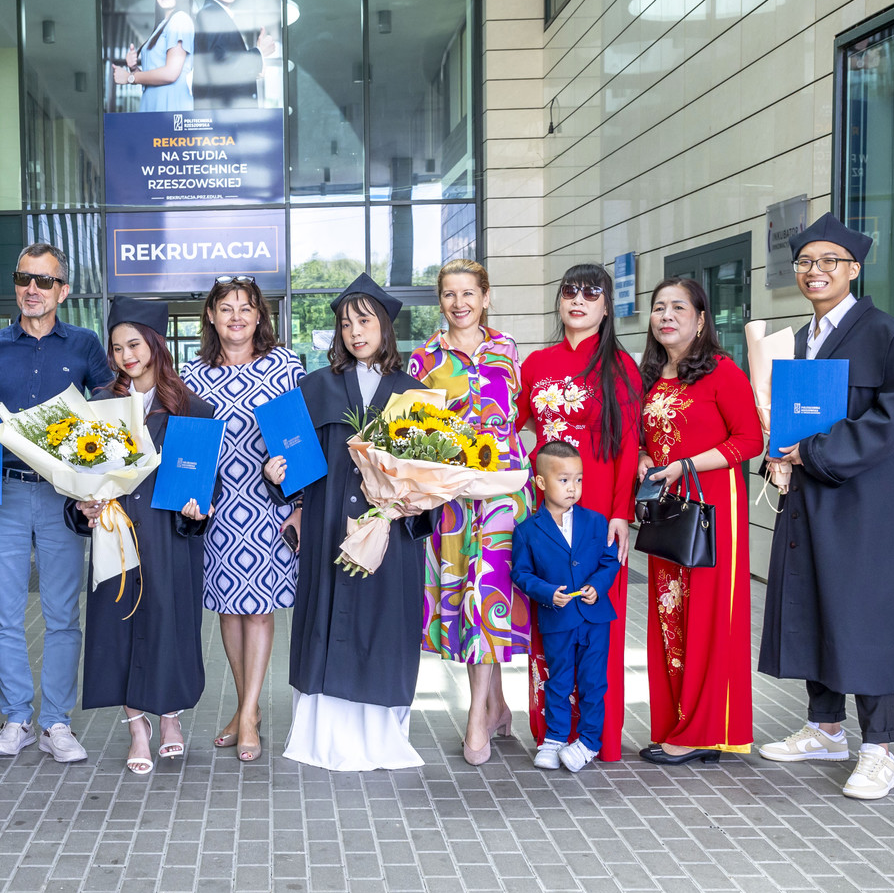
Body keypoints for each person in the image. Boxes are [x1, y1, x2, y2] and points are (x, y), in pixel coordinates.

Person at [757, 213, 894, 800]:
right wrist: (778, 452)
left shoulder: (886, 336)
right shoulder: (795, 342)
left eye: (829, 261)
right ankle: (825, 729)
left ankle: (879, 748)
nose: (815, 271)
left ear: (854, 269)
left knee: (865, 617)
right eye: (806, 262)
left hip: (863, 506)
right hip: (807, 499)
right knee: (813, 605)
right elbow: (784, 416)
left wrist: (812, 450)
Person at [266, 274, 437, 772]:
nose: (355, 332)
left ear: (384, 325)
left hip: (390, 533)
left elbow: (429, 477)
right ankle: (321, 736)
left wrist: (407, 507)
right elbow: (297, 468)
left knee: (384, 624)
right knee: (327, 619)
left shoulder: (415, 395)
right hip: (328, 526)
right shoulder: (315, 387)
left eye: (364, 321)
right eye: (345, 324)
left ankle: (381, 739)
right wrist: (278, 477)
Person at [0, 243, 116, 763]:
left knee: (62, 615)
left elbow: (110, 409)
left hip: (63, 497)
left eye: (44, 281)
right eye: (23, 278)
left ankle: (56, 721)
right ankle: (16, 718)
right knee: (3, 613)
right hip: (3, 492)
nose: (32, 289)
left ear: (63, 290)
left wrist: (98, 484)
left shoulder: (86, 345)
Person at [71, 298, 216, 773]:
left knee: (169, 626)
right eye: (116, 348)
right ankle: (137, 726)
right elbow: (78, 478)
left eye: (133, 345)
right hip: (115, 534)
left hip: (169, 536)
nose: (125, 356)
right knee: (120, 628)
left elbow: (204, 480)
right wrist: (82, 506)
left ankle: (169, 718)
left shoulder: (192, 407)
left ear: (155, 344)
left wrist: (197, 510)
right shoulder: (99, 406)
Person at [407, 259, 534, 766]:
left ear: (485, 296)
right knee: (466, 601)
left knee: (489, 597)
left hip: (504, 494)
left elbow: (517, 417)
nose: (459, 303)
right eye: (449, 294)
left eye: (468, 293)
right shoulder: (424, 358)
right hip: (454, 500)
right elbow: (416, 433)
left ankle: (477, 716)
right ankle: (497, 705)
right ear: (440, 301)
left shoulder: (508, 349)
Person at [634, 278, 764, 765]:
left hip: (711, 509)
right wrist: (645, 456)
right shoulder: (651, 375)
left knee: (708, 615)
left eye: (678, 307)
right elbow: (645, 437)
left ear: (702, 318)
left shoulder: (722, 371)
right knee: (670, 614)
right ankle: (678, 723)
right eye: (658, 307)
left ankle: (706, 729)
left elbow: (749, 440)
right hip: (667, 510)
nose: (666, 315)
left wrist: (686, 465)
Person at [515, 264, 642, 763]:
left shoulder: (620, 366)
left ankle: (594, 737)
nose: (578, 300)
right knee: (550, 618)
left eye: (591, 293)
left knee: (594, 626)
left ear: (607, 306)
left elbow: (628, 447)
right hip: (545, 508)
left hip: (597, 507)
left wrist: (621, 512)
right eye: (570, 291)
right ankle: (551, 732)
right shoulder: (537, 363)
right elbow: (512, 423)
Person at [180, 276, 303, 762]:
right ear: (211, 316)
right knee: (228, 610)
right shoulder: (191, 376)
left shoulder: (286, 367)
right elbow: (184, 446)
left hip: (267, 507)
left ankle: (248, 713)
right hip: (215, 509)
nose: (236, 317)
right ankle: (245, 705)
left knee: (260, 609)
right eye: (226, 308)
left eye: (246, 308)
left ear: (259, 317)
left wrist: (297, 505)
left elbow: (301, 443)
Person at [511, 441, 620, 773]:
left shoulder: (596, 522)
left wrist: (598, 586)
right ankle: (555, 738)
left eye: (579, 479)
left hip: (595, 618)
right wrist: (547, 593)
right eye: (564, 480)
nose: (573, 488)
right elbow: (521, 573)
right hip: (557, 618)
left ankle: (589, 742)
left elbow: (609, 561)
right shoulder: (527, 530)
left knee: (593, 682)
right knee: (558, 680)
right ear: (541, 482)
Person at [191, 0, 275, 109]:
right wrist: (259, 53)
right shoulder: (212, 14)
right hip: (223, 116)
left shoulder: (217, 15)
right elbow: (219, 70)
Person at [112, 0, 194, 112]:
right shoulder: (163, 25)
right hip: (156, 107)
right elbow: (155, 75)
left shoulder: (180, 19)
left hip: (171, 108)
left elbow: (171, 73)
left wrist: (131, 77)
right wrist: (134, 68)